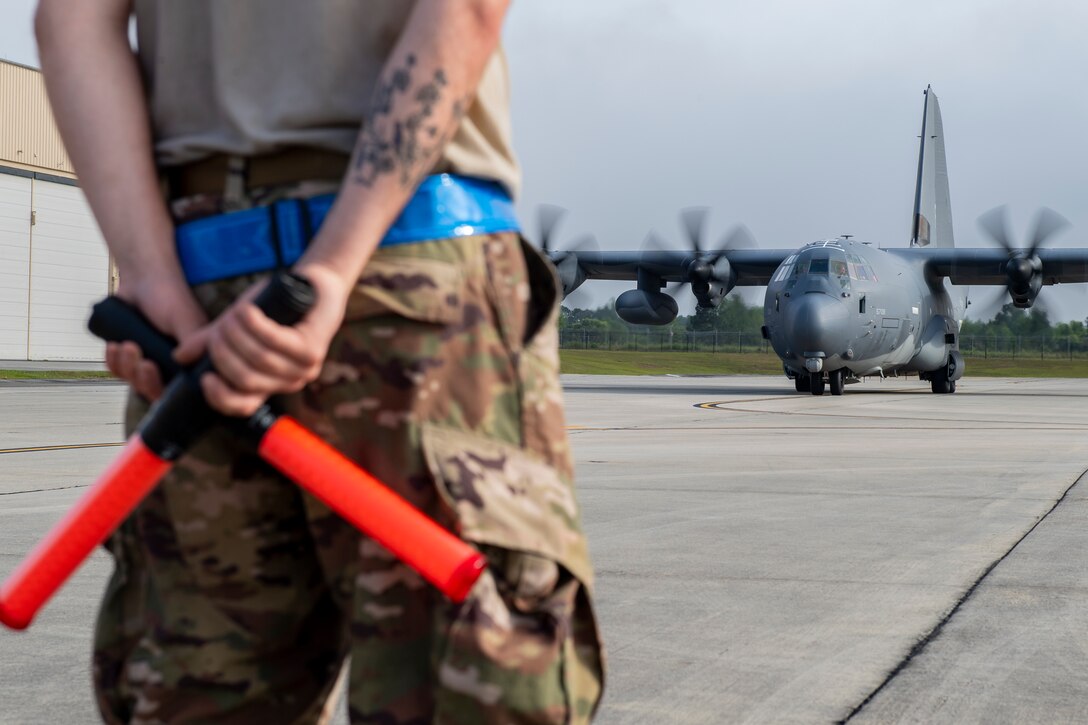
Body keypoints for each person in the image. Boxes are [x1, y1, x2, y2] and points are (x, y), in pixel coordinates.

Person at [34, 1, 604, 722]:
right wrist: (332, 267)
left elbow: (70, 21)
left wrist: (147, 273)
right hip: (407, 260)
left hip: (198, 287)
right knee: (472, 686)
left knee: (198, 690)